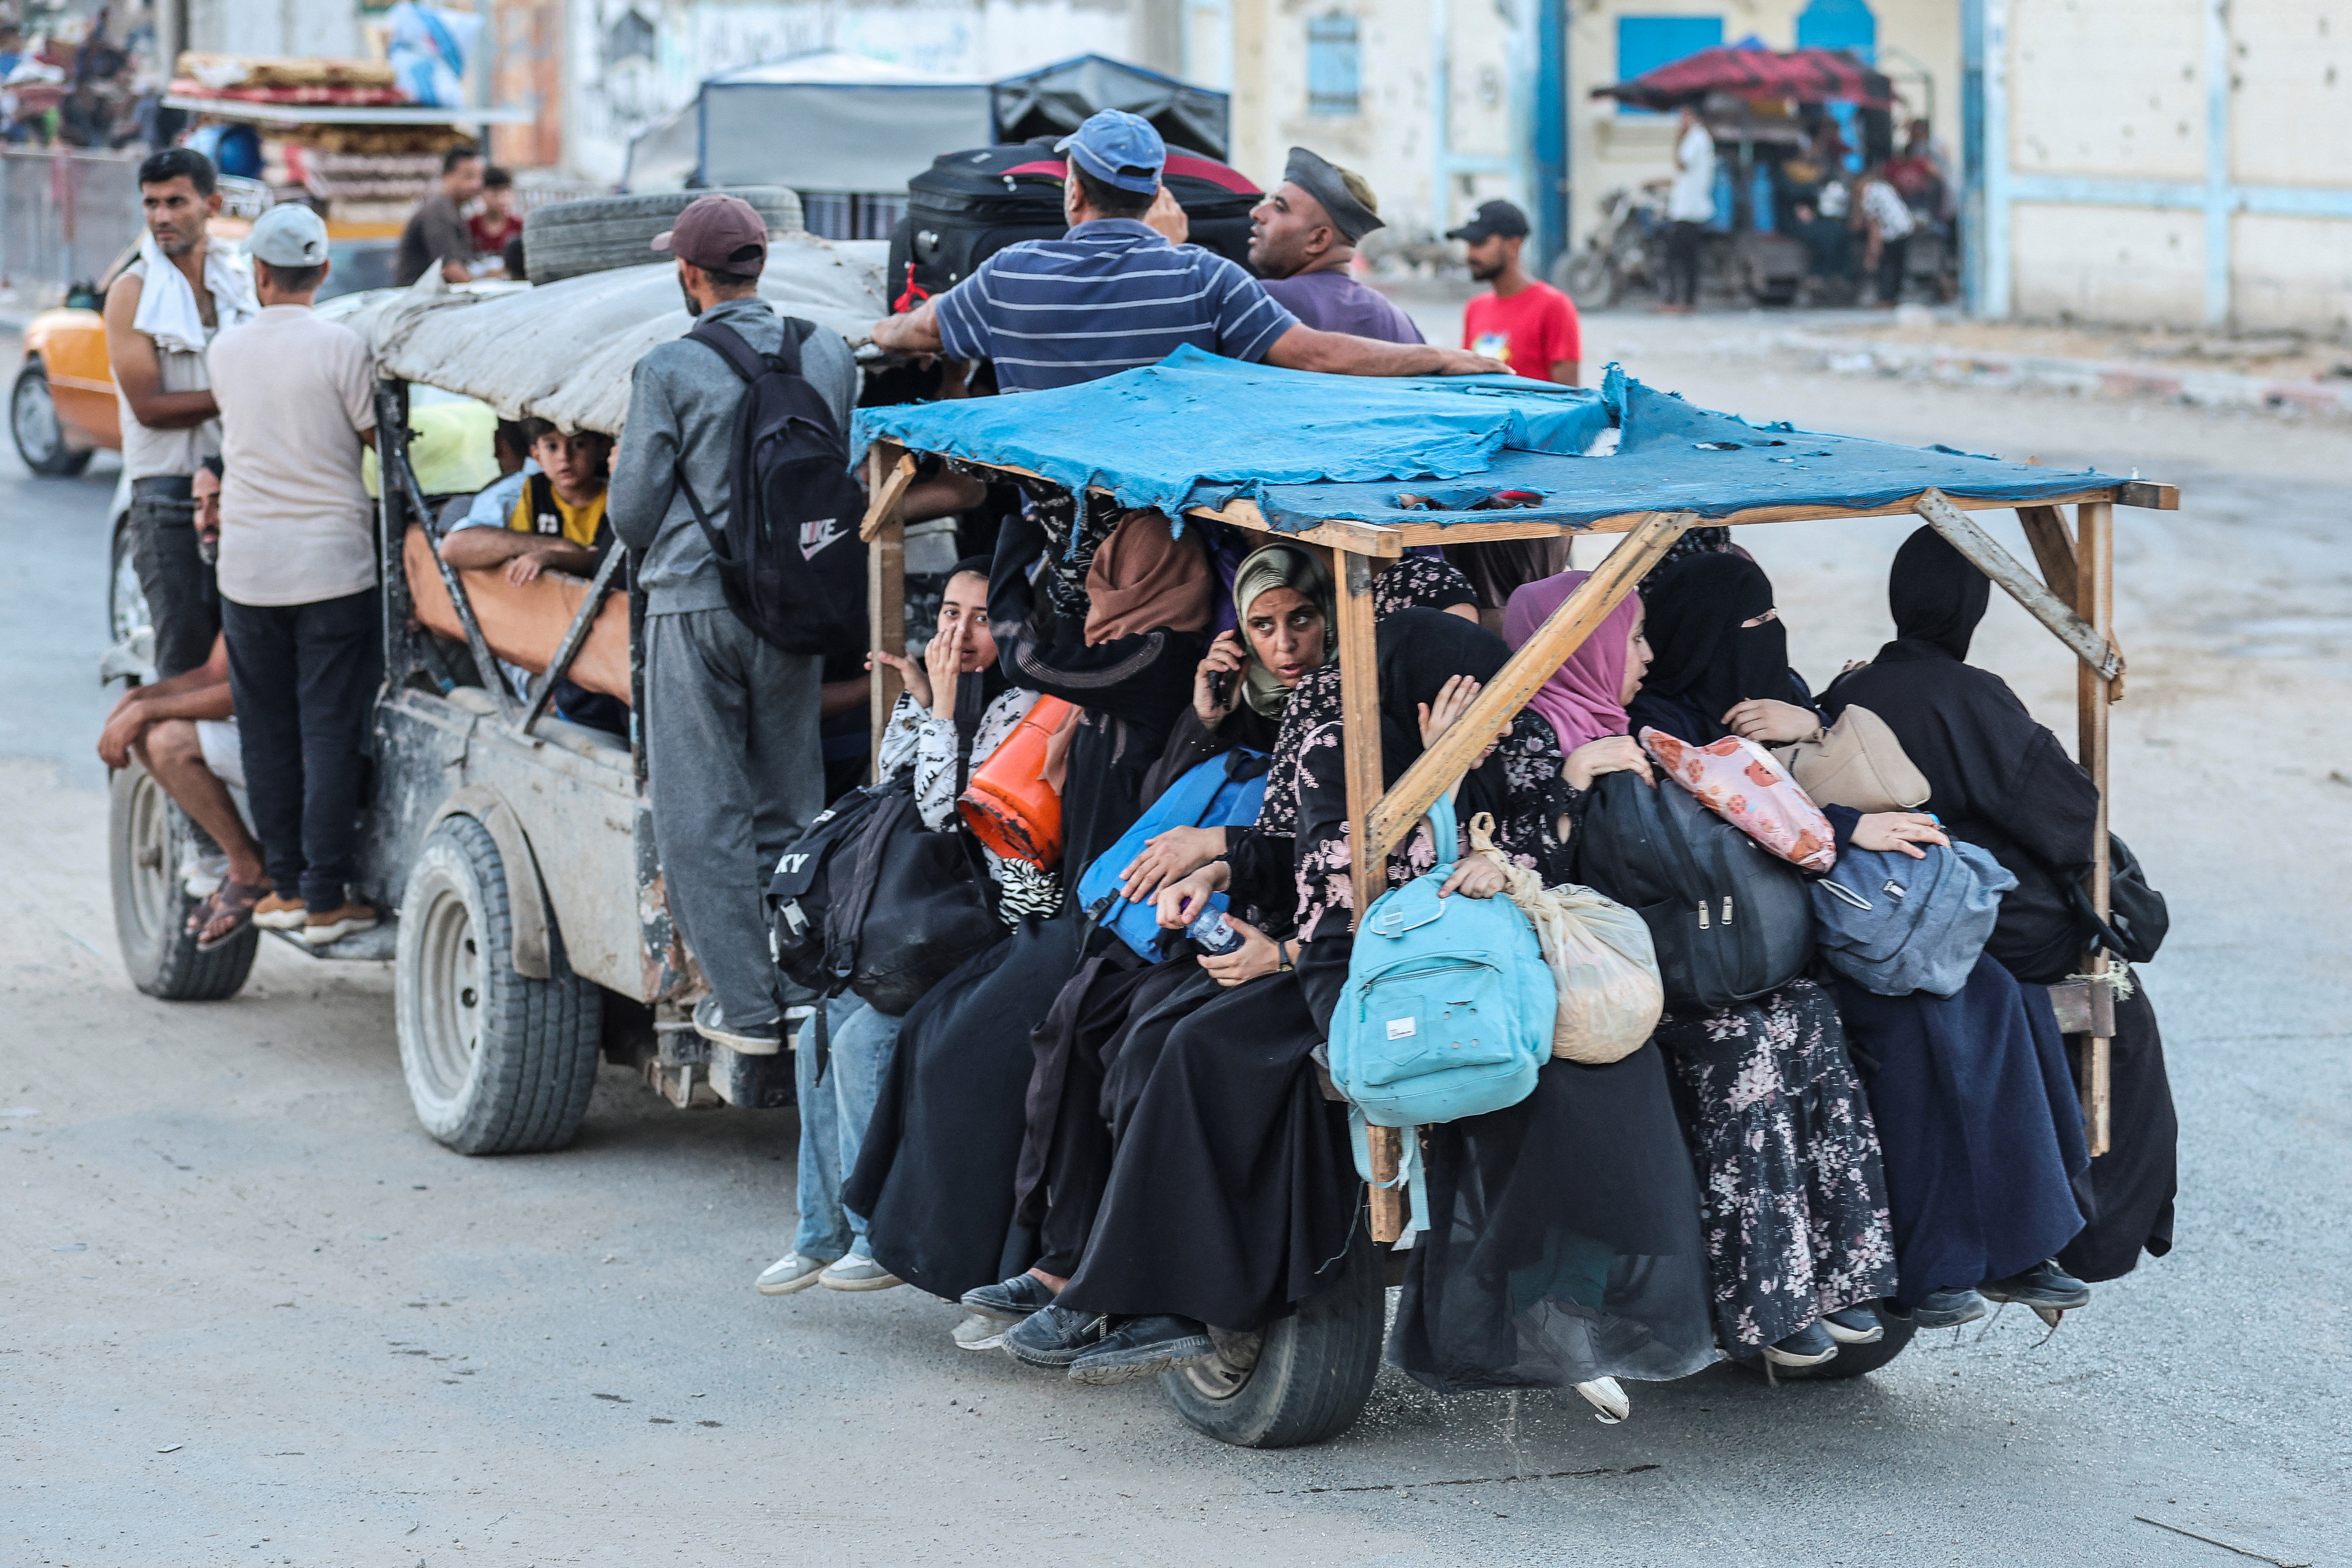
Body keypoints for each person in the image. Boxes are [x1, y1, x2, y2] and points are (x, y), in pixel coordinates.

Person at [843, 510, 1215, 1310]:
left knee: (972, 1051)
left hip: (1102, 916)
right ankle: (881, 1234)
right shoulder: (1111, 661)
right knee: (923, 1033)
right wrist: (929, 704)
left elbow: (1029, 657)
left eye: (1117, 572)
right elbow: (912, 800)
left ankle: (988, 1263)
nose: (1099, 589)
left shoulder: (1155, 656)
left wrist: (1015, 536)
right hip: (1068, 911)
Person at [1820, 527, 2176, 1292]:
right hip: (1987, 920)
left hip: (1876, 907)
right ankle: (2099, 1230)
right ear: (1969, 609)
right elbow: (2066, 809)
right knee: (2125, 1018)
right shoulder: (1970, 693)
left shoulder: (1850, 689)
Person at [1599, 551, 1905, 1368]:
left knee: (1813, 1023)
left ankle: (1845, 1277)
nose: (1766, 641)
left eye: (1772, 621)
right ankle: (1766, 1302)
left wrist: (1806, 726)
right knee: (1746, 1051)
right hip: (1675, 961)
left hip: (1757, 953)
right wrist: (1827, 820)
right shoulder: (1644, 723)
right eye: (1748, 627)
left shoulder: (1778, 697)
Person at [604, 194, 858, 1053]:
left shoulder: (669, 369)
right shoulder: (827, 353)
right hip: (794, 606)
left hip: (693, 607)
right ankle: (800, 985)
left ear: (688, 272)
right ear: (761, 263)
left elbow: (633, 518)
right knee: (791, 800)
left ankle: (747, 1011)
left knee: (702, 812)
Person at [753, 561, 1047, 1300]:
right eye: (950, 612)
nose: (959, 631)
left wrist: (943, 709)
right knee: (821, 1033)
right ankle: (816, 1235)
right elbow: (896, 790)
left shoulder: (1027, 706)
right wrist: (922, 707)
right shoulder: (929, 699)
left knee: (861, 1042)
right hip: (915, 920)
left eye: (980, 617)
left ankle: (870, 1233)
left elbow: (949, 820)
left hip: (988, 927)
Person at [868, 110, 1500, 389]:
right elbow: (1315, 354)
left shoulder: (1007, 276)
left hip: (1050, 540)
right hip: (1171, 552)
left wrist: (878, 327)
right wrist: (1443, 356)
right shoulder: (1204, 278)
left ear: (1072, 190)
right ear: (1156, 194)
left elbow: (915, 332)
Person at [205, 203, 382, 946]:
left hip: (249, 568)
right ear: (325, 271)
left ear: (258, 272)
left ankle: (281, 886)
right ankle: (325, 896)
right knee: (331, 729)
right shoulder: (343, 345)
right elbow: (376, 438)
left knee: (267, 732)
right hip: (333, 565)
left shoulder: (225, 349)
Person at [95, 461, 272, 950]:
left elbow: (243, 692)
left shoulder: (265, 572)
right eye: (197, 505)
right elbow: (217, 671)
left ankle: (247, 866)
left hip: (298, 753)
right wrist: (140, 697)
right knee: (151, 725)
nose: (205, 519)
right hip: (271, 738)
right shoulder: (236, 570)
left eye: (218, 503)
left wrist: (147, 711)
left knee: (166, 739)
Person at [104, 146, 255, 684]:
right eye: (151, 204)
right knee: (185, 666)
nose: (162, 217)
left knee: (244, 667)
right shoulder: (132, 293)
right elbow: (149, 409)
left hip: (240, 490)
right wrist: (249, 392)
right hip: (169, 496)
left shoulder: (237, 278)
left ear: (211, 204)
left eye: (176, 202)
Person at [1247, 147, 1422, 344]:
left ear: (1318, 240)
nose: (1256, 212)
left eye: (1280, 208)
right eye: (1266, 200)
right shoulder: (1399, 322)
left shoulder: (1268, 301)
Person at [440, 419, 610, 584]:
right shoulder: (530, 490)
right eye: (552, 447)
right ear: (537, 456)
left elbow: (599, 558)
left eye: (578, 445)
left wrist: (552, 557)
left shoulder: (612, 499)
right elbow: (452, 549)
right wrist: (557, 548)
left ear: (602, 450)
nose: (564, 457)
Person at [1449, 200, 1581, 386]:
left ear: (1514, 246)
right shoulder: (1475, 307)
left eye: (1479, 244)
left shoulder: (1554, 306)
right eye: (1469, 245)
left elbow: (1569, 397)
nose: (1469, 255)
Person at [395, 143, 485, 288]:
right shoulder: (439, 211)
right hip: (420, 301)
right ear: (447, 177)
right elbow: (451, 269)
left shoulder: (454, 210)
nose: (476, 184)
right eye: (469, 177)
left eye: (479, 177)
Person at [1662, 106, 1716, 313]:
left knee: (1676, 258)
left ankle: (1677, 301)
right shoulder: (1703, 139)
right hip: (1691, 208)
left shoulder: (1696, 138)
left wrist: (1677, 139)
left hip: (1688, 210)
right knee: (1687, 258)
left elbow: (1681, 164)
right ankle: (1685, 300)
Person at [1857, 163, 1917, 308]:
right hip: (1906, 228)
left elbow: (1874, 225)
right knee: (1898, 266)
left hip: (1891, 233)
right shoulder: (1885, 188)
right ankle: (1894, 297)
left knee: (1886, 267)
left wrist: (1874, 250)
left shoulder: (1869, 194)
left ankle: (1885, 299)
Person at [467, 164, 523, 275]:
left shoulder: (519, 227)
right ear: (482, 194)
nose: (502, 200)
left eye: (506, 193)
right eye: (495, 194)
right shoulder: (470, 227)